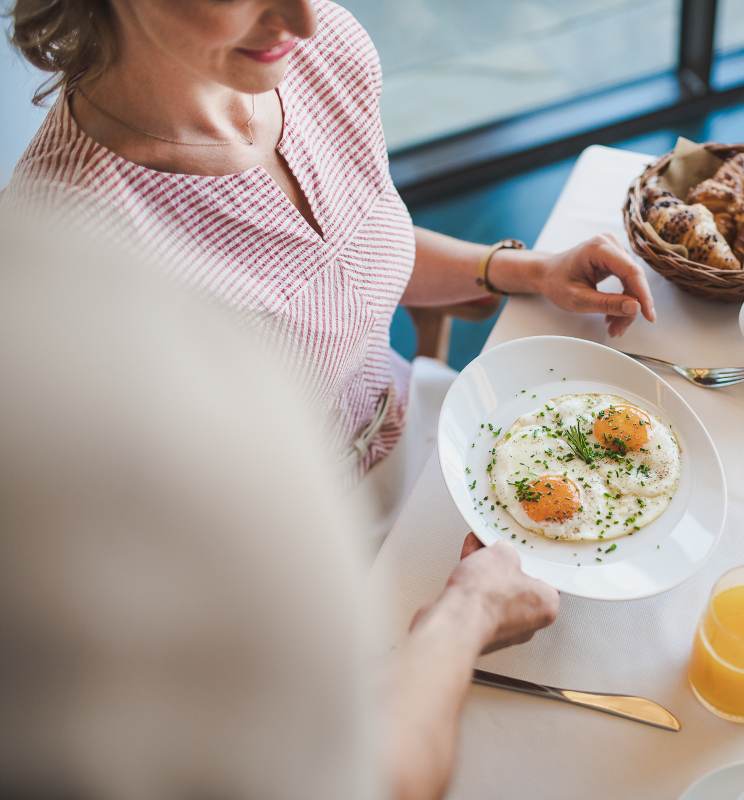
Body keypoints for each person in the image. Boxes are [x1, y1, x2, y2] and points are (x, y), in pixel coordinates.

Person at [2, 0, 657, 542]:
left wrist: (523, 271)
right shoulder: (64, 252)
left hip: (422, 432)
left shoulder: (322, 54)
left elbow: (342, 258)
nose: (303, 20)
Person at [0, 215, 560, 800]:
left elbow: (352, 249)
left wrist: (506, 267)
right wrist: (468, 611)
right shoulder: (71, 267)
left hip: (406, 424)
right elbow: (366, 774)